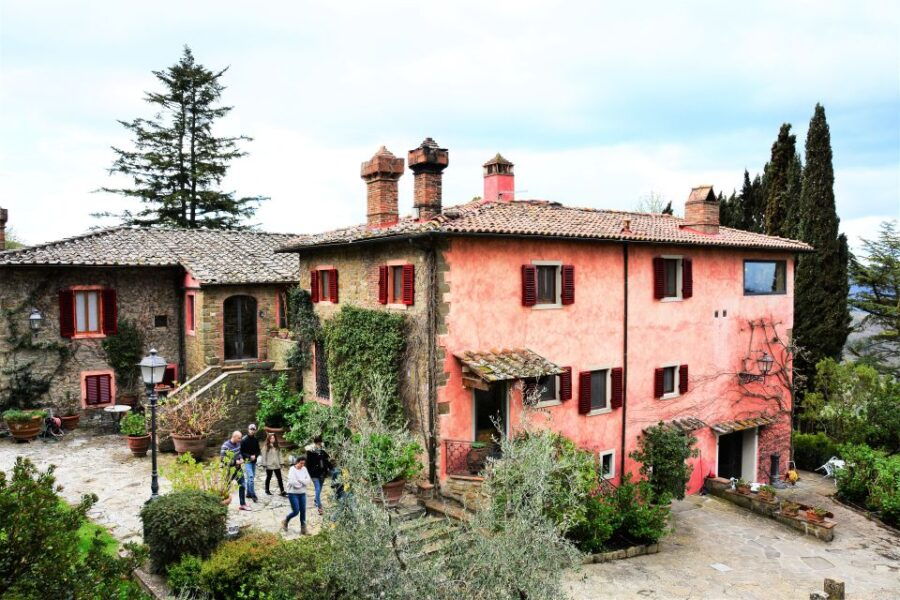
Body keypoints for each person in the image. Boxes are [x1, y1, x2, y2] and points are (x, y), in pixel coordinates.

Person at [220, 431, 250, 511]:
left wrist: (241, 458)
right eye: (239, 438)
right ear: (234, 437)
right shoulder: (225, 446)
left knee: (243, 485)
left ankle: (242, 504)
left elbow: (239, 453)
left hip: (238, 469)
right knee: (226, 488)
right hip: (228, 471)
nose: (240, 439)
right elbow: (223, 460)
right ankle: (222, 506)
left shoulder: (238, 444)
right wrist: (235, 462)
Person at [283, 454, 312, 535]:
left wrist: (300, 480)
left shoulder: (304, 469)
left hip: (302, 493)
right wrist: (302, 483)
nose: (302, 465)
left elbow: (308, 480)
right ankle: (286, 520)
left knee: (303, 511)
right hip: (292, 493)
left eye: (303, 464)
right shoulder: (292, 469)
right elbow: (292, 482)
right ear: (297, 462)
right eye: (301, 463)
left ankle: (303, 530)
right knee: (296, 511)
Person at [305, 435, 332, 515]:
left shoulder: (323, 451)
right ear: (315, 443)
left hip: (322, 473)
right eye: (318, 443)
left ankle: (316, 500)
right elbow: (308, 464)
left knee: (319, 488)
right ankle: (319, 506)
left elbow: (327, 461)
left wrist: (330, 469)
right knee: (317, 488)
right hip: (314, 473)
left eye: (320, 443)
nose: (319, 444)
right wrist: (309, 473)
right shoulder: (310, 451)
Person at [240, 424, 261, 502]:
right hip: (247, 461)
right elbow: (241, 452)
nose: (252, 430)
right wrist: (249, 456)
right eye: (251, 429)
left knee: (250, 477)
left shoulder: (256, 440)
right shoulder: (244, 440)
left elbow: (258, 450)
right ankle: (253, 494)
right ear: (248, 429)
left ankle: (248, 493)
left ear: (255, 430)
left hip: (253, 462)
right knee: (251, 477)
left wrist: (255, 455)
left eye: (254, 429)